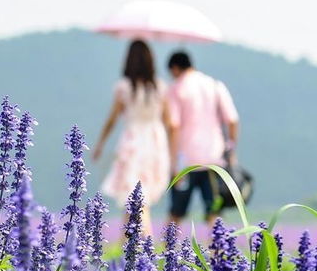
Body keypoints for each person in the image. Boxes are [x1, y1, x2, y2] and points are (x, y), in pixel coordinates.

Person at [93, 39, 172, 235]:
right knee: (137, 197)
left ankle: (144, 246)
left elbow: (112, 119)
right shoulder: (160, 87)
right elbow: (169, 121)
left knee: (136, 197)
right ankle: (126, 247)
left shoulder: (124, 87)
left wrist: (100, 144)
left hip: (133, 140)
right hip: (155, 141)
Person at [166, 51, 239, 224]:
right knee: (214, 213)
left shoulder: (176, 89)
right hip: (214, 159)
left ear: (175, 68)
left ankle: (165, 249)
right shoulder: (214, 85)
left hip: (185, 161)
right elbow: (232, 120)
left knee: (176, 213)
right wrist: (230, 148)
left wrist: (173, 162)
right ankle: (218, 251)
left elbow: (174, 127)